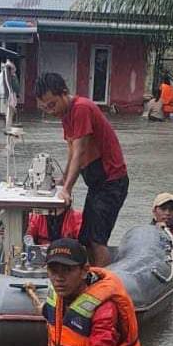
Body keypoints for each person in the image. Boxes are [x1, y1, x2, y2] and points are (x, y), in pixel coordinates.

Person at [34, 72, 129, 267]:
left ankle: (101, 286)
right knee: (86, 239)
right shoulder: (66, 115)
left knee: (96, 239)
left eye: (52, 104)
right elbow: (71, 151)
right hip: (96, 185)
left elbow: (80, 151)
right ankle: (90, 277)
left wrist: (67, 189)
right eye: (45, 107)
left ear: (64, 93)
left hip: (111, 182)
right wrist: (62, 181)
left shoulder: (81, 108)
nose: (51, 110)